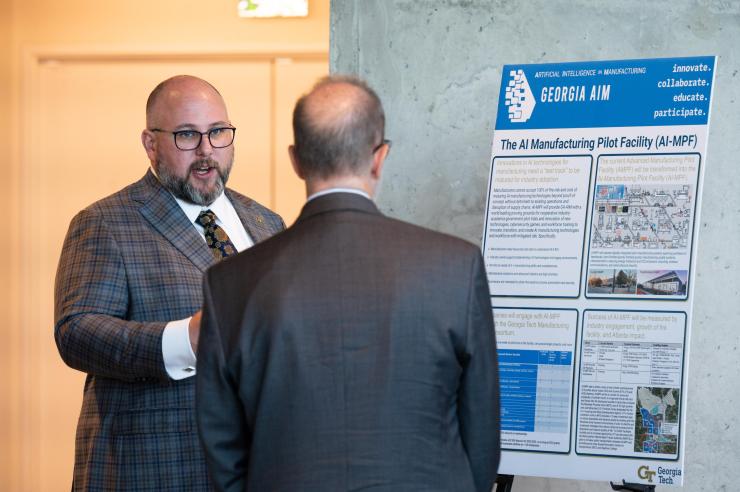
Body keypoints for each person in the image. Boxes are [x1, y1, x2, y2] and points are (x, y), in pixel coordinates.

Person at [196, 75, 500, 492]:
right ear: (380, 158)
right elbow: (481, 433)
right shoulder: (455, 266)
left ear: (296, 160)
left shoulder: (229, 282)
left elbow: (222, 445)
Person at [54, 75, 284, 491]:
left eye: (218, 133)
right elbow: (76, 332)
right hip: (151, 470)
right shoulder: (104, 222)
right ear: (150, 143)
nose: (206, 151)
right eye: (186, 136)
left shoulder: (268, 223)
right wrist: (186, 339)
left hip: (258, 467)